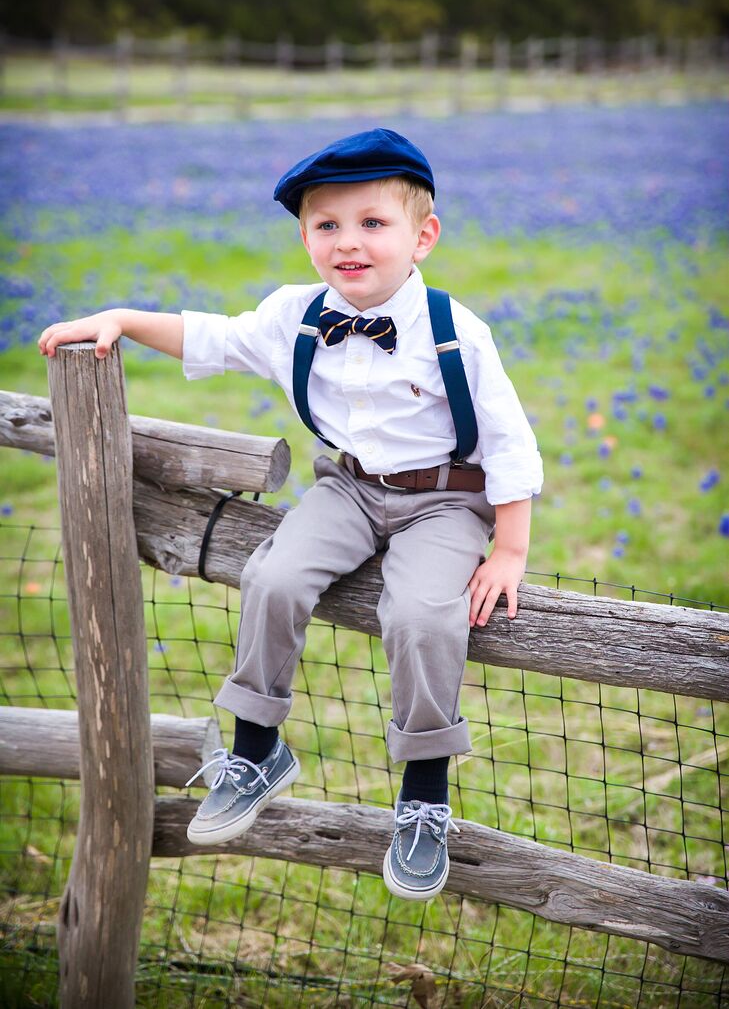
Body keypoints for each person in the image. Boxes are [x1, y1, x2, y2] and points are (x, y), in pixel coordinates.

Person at [38, 127, 543, 902]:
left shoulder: (455, 333)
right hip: (346, 486)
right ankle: (257, 747)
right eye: (326, 225)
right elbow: (209, 334)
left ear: (423, 236)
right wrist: (122, 318)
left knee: (417, 614)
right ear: (304, 236)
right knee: (271, 574)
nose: (348, 243)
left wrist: (507, 549)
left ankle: (424, 790)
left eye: (373, 223)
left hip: (443, 499)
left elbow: (509, 444)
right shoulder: (294, 315)